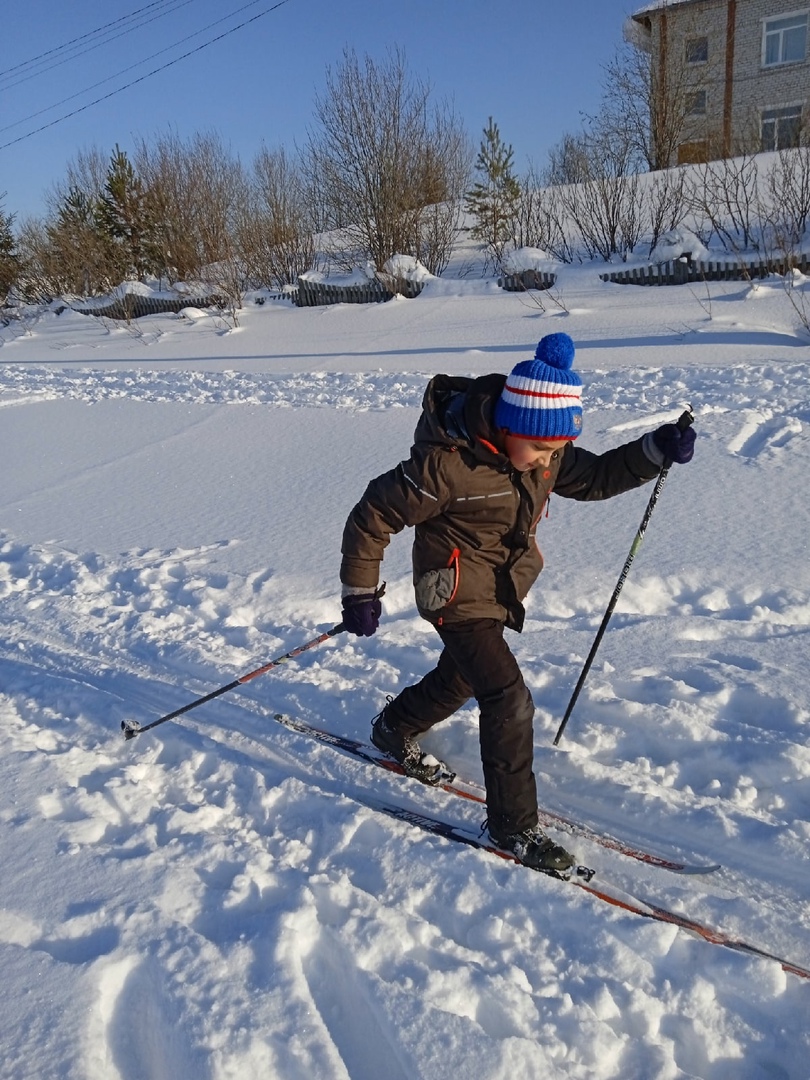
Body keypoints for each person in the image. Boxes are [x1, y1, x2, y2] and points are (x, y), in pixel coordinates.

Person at [339, 332, 695, 874]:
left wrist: (653, 451)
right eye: (543, 450)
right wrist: (360, 592)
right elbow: (373, 515)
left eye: (555, 452)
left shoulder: (540, 453)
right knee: (507, 697)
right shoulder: (444, 466)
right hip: (453, 590)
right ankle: (512, 825)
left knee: (463, 677)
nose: (549, 462)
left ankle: (395, 725)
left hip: (499, 588)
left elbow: (596, 477)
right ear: (509, 426)